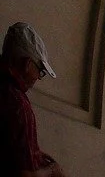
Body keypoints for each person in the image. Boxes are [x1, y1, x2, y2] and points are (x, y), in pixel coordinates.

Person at [1, 22, 67, 177]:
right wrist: (53, 170)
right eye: (40, 70)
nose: (38, 77)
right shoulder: (18, 105)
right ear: (27, 64)